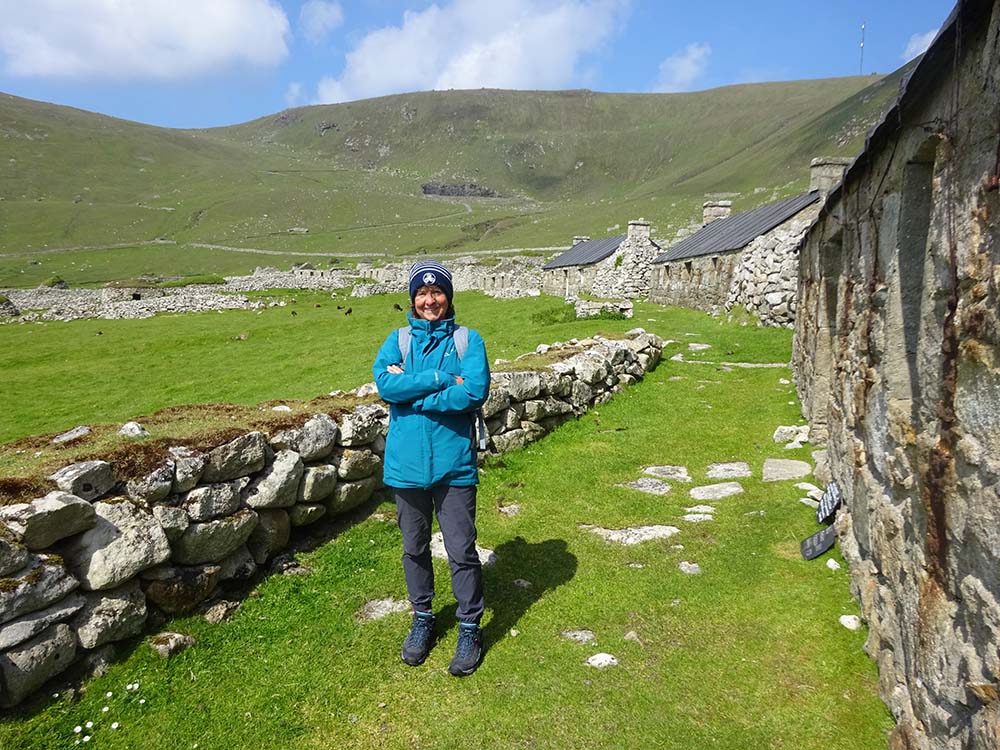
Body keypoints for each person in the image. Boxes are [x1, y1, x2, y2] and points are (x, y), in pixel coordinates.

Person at [372, 260, 491, 676]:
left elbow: (473, 391)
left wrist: (417, 393)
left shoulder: (467, 340)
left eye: (437, 292)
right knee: (414, 547)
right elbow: (385, 385)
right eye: (422, 294)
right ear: (412, 299)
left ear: (449, 297)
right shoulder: (398, 340)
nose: (429, 300)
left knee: (460, 549)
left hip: (454, 465)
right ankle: (423, 617)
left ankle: (470, 625)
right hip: (406, 467)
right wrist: (443, 379)